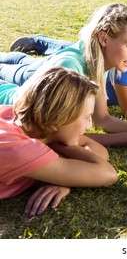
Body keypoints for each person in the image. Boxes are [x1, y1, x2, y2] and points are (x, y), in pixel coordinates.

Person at [0, 3, 127, 146]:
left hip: (16, 87)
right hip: (5, 100)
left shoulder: (100, 62)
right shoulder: (69, 69)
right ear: (103, 39)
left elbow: (102, 119)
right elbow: (63, 140)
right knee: (16, 69)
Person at [0, 67, 118, 216]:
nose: (88, 126)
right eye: (86, 117)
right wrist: (69, 177)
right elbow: (107, 174)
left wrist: (65, 176)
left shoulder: (22, 120)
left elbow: (100, 152)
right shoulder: (21, 149)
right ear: (59, 117)